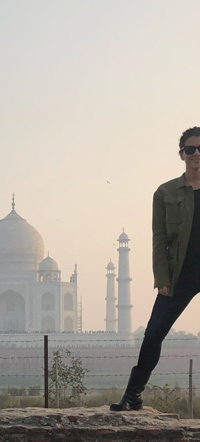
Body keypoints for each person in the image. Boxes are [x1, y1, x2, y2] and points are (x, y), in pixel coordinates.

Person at [110, 126, 200, 411]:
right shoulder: (165, 192)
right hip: (180, 272)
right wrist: (161, 277)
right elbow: (159, 238)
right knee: (153, 333)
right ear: (181, 154)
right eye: (190, 149)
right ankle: (133, 394)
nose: (196, 153)